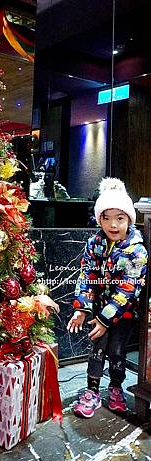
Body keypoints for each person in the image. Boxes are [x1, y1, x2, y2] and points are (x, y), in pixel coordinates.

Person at [67, 178, 148, 418]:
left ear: (129, 219)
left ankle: (115, 387)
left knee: (116, 350)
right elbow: (86, 275)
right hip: (99, 309)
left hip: (122, 314)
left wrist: (104, 320)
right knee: (97, 349)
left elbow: (128, 290)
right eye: (107, 218)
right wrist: (81, 307)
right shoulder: (95, 244)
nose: (113, 224)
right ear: (99, 218)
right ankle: (92, 391)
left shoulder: (137, 250)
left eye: (119, 218)